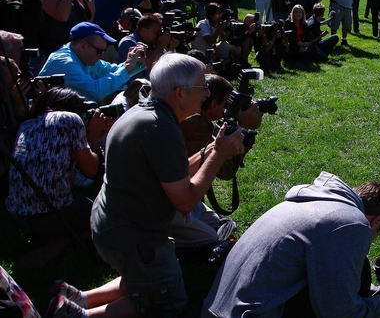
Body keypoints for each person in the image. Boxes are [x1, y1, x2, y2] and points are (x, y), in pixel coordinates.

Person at [86, 54, 245, 318]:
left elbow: (174, 172)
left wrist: (210, 150)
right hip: (131, 236)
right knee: (166, 303)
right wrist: (219, 154)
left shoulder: (143, 113)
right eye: (201, 87)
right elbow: (184, 201)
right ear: (180, 93)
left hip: (112, 224)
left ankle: (75, 298)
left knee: (145, 280)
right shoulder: (161, 128)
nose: (206, 93)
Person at [201, 171, 380, 318]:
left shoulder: (314, 204)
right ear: (377, 221)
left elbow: (330, 277)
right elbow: (339, 312)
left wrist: (379, 294)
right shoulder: (351, 223)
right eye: (378, 234)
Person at [6, 87, 110, 267]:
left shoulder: (27, 125)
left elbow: (67, 181)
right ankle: (60, 245)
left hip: (17, 215)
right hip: (52, 216)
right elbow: (91, 171)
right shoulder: (70, 119)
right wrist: (93, 135)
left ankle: (48, 238)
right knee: (102, 211)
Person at [171, 74, 263, 251]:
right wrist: (243, 130)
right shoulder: (195, 124)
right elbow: (225, 172)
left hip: (181, 192)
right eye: (227, 103)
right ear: (213, 104)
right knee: (212, 238)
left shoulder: (199, 120)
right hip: (171, 199)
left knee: (217, 222)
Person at [38, 22, 147, 103]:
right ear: (84, 45)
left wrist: (135, 62)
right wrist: (128, 66)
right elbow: (96, 92)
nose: (102, 56)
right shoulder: (65, 63)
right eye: (100, 51)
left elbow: (112, 70)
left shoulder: (85, 57)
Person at [116, 13, 177, 80]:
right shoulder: (128, 42)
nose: (158, 35)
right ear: (144, 31)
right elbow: (146, 65)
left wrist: (170, 48)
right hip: (133, 87)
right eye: (156, 33)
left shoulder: (152, 43)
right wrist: (161, 45)